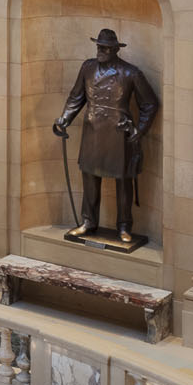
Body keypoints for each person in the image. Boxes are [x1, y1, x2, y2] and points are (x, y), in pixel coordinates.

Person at [52, 27, 160, 246]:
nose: (100, 50)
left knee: (123, 182)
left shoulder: (130, 73)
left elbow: (150, 103)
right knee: (90, 178)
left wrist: (139, 131)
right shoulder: (87, 68)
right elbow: (76, 97)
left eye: (105, 47)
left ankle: (124, 226)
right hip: (93, 131)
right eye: (98, 46)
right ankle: (88, 222)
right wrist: (64, 118)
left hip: (119, 134)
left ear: (114, 50)